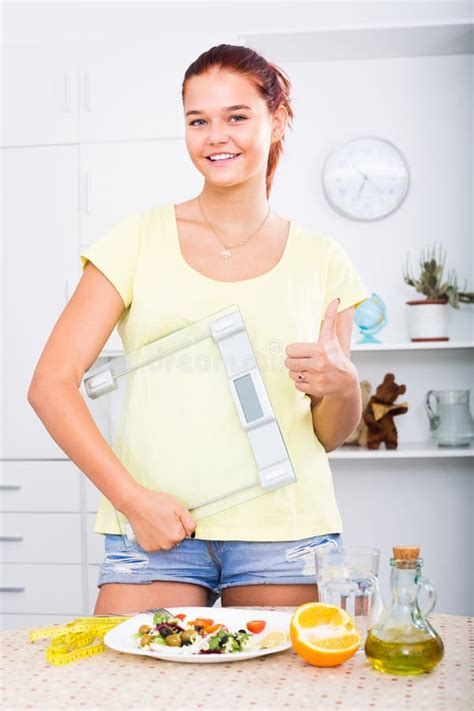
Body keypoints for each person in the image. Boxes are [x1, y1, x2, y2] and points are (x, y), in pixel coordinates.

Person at [28, 44, 370, 614]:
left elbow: (328, 434)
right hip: (154, 527)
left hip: (284, 531)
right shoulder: (135, 239)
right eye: (198, 120)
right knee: (127, 695)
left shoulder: (323, 260)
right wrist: (131, 500)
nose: (217, 136)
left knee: (283, 700)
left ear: (277, 118)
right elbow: (50, 383)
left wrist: (344, 387)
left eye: (237, 116)